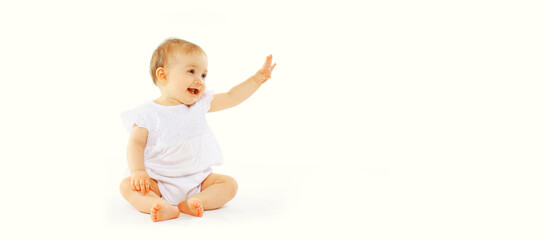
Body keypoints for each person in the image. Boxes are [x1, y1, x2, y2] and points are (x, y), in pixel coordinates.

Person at [119, 38, 276, 222]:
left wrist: (256, 80)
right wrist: (138, 171)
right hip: (158, 180)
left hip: (199, 179)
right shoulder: (147, 112)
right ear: (163, 75)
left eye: (203, 75)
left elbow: (232, 97)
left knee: (229, 184)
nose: (199, 80)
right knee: (127, 186)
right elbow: (136, 143)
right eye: (191, 71)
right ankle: (156, 204)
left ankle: (195, 201)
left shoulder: (200, 105)